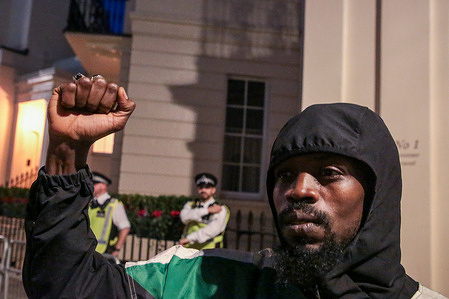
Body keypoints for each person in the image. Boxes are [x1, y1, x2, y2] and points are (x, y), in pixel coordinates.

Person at [22, 76, 446, 298]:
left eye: (330, 173)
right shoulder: (200, 281)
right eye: (283, 175)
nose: (299, 189)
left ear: (377, 195)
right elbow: (70, 286)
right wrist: (66, 155)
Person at [179, 173, 230, 250]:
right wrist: (207, 210)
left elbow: (213, 229)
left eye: (207, 187)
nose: (203, 190)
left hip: (211, 250)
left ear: (213, 190)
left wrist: (189, 238)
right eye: (200, 187)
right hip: (188, 249)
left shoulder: (220, 208)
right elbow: (184, 218)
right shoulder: (190, 205)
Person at [88, 171, 130, 257]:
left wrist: (117, 249)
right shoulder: (89, 204)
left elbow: (125, 228)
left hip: (104, 253)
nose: (91, 186)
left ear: (103, 185)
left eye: (95, 184)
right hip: (87, 251)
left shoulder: (114, 205)